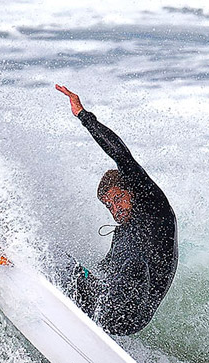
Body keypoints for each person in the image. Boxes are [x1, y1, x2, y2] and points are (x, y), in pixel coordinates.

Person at [54, 84, 178, 336]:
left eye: (118, 198)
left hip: (132, 315)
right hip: (104, 304)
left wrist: (84, 116)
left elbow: (122, 156)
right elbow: (104, 270)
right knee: (59, 260)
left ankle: (94, 318)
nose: (114, 207)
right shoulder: (120, 235)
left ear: (133, 191)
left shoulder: (155, 209)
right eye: (108, 204)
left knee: (134, 265)